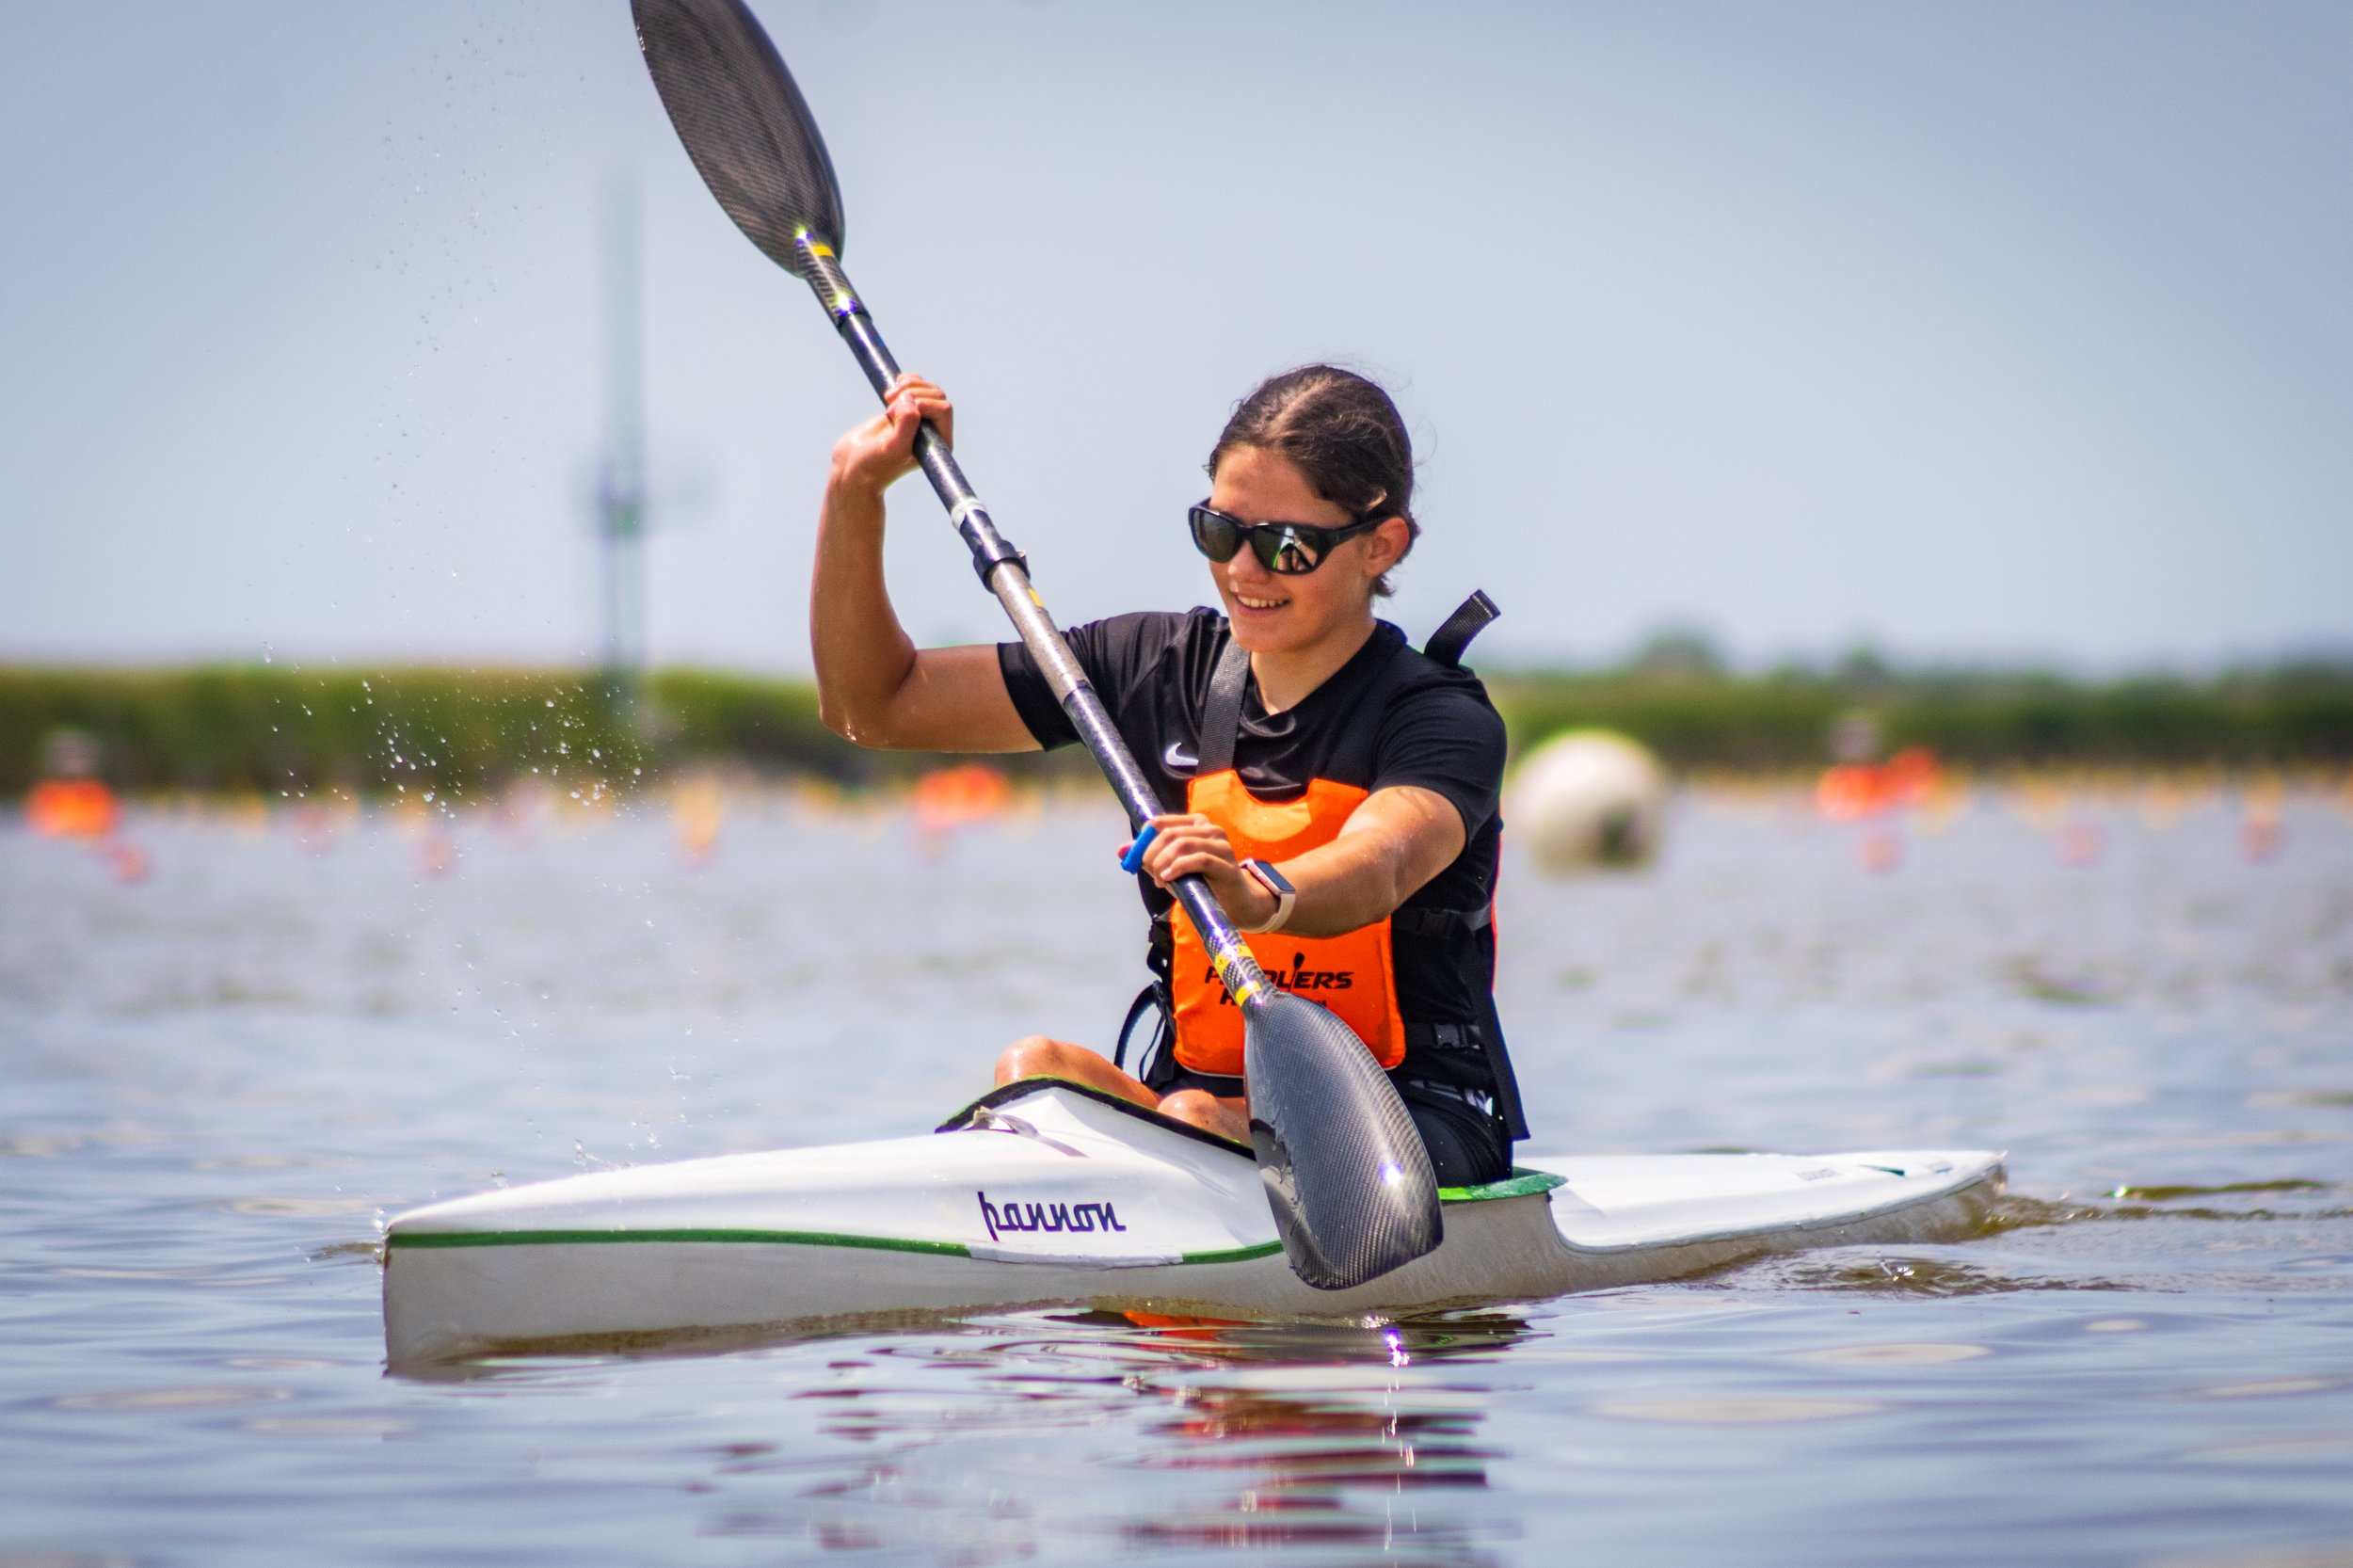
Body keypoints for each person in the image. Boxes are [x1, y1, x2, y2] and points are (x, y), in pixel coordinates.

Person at [811, 363, 1527, 1185]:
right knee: (1034, 1069)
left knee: (1190, 1118)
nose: (1244, 571)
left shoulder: (1440, 719)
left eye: (1285, 547)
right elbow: (874, 706)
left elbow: (1384, 862)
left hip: (1414, 1115)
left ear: (1381, 545)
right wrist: (854, 490)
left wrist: (1258, 895)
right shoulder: (1151, 669)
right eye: (1220, 533)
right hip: (1195, 1103)